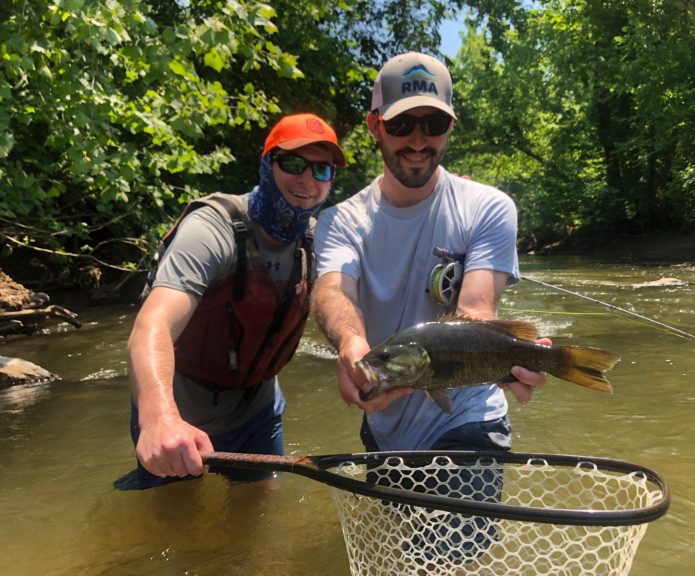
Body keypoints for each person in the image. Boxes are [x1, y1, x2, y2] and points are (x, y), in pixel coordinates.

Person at [313, 52, 550, 456]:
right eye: (401, 124)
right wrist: (351, 343)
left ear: (450, 127)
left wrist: (504, 357)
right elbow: (334, 291)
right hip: (382, 425)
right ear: (375, 126)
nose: (418, 141)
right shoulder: (339, 221)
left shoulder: (488, 208)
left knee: (457, 524)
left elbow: (477, 309)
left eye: (433, 124)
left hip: (468, 419)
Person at [117, 113, 347, 490]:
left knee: (255, 526)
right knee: (171, 532)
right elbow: (151, 325)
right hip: (180, 411)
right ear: (266, 165)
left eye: (322, 170)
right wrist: (158, 418)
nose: (307, 180)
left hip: (257, 410)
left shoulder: (317, 242)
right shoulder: (211, 230)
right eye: (293, 163)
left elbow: (356, 300)